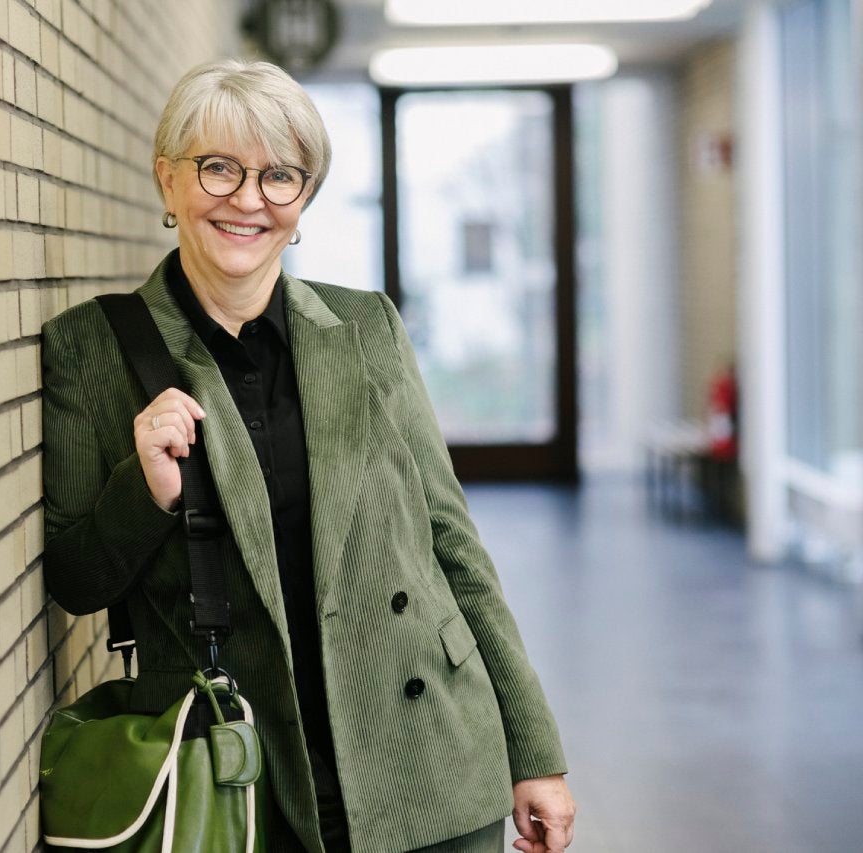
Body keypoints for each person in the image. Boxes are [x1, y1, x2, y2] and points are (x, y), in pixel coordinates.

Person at [41, 59, 575, 853]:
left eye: (280, 176)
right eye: (218, 168)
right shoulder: (94, 347)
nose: (248, 200)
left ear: (304, 200)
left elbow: (450, 540)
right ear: (168, 180)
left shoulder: (366, 328)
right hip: (244, 781)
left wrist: (535, 750)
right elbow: (76, 581)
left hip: (426, 764)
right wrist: (142, 489)